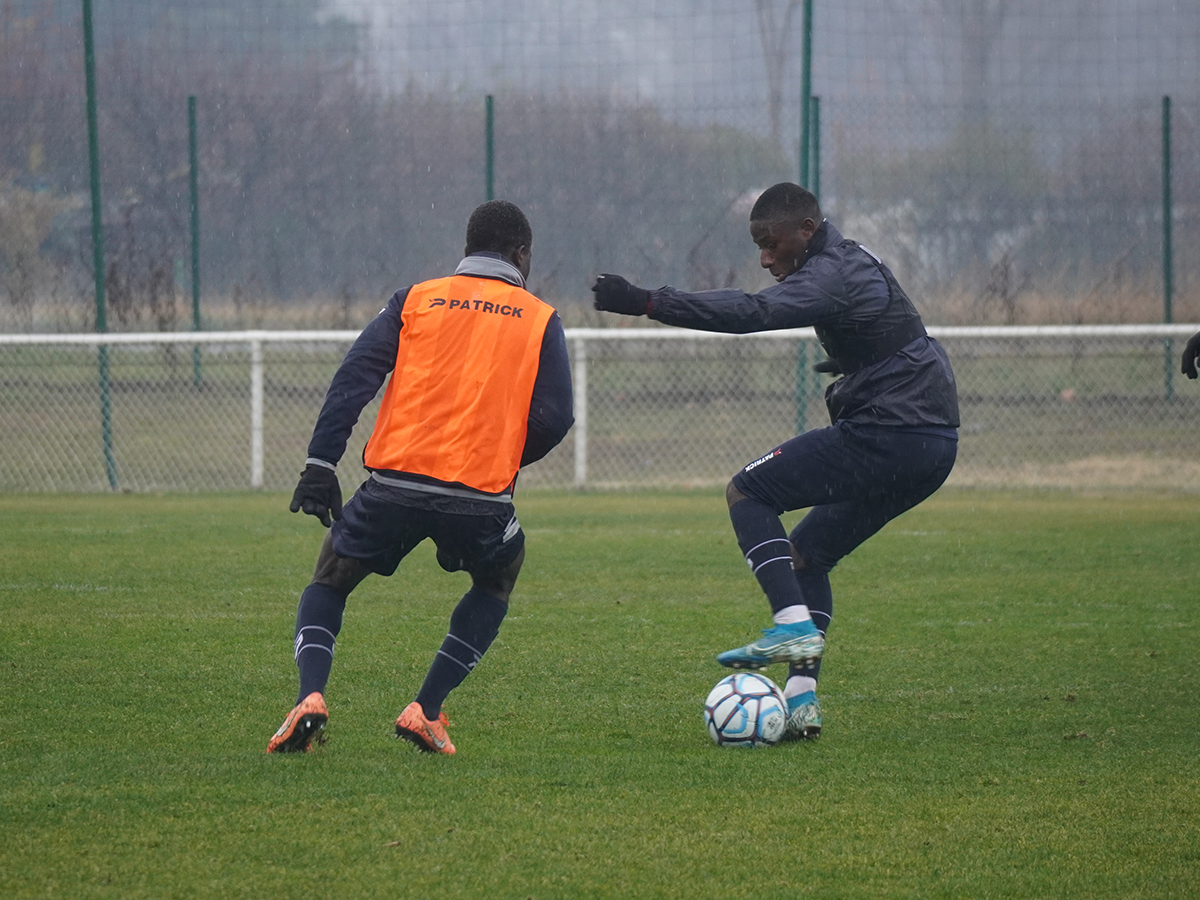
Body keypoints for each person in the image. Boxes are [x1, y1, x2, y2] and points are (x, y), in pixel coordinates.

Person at [591, 182, 959, 741]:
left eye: (771, 244)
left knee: (749, 491)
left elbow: (753, 311)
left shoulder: (830, 272)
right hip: (932, 445)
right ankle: (803, 702)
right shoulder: (851, 259)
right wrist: (855, 362)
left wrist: (647, 301)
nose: (765, 259)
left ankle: (791, 626)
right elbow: (897, 327)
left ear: (805, 232)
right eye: (758, 246)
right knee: (808, 556)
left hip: (893, 431)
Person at [268, 200, 573, 755]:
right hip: (480, 498)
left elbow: (357, 374)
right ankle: (425, 710)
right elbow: (556, 417)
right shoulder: (538, 317)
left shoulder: (417, 299)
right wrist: (497, 455)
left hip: (395, 486)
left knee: (330, 576)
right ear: (521, 254)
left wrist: (319, 464)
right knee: (498, 578)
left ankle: (309, 698)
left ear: (466, 249)